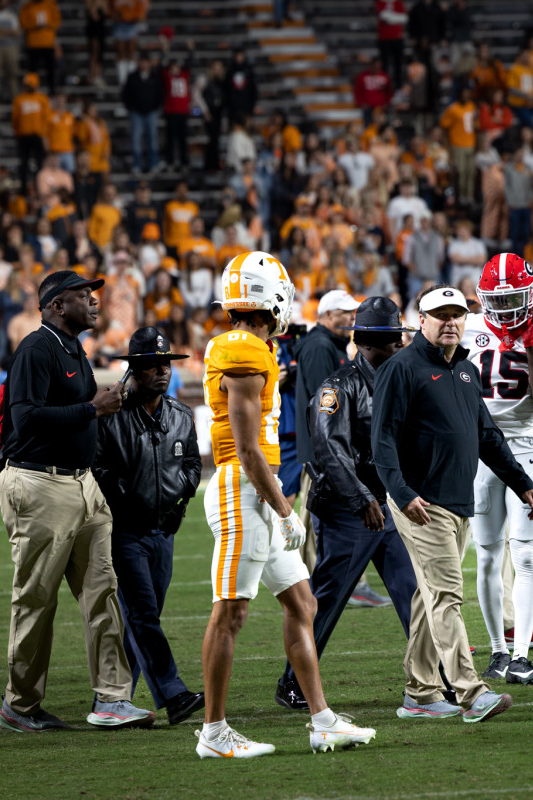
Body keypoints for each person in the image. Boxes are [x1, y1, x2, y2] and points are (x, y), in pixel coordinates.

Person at [197, 251, 375, 759]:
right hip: (243, 490)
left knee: (303, 602)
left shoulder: (255, 347)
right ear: (269, 298)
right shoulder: (242, 350)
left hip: (257, 490)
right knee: (230, 612)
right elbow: (248, 449)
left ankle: (322, 720)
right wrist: (283, 507)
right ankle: (213, 732)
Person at [0, 270, 153, 733]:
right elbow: (24, 420)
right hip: (40, 485)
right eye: (84, 296)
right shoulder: (36, 348)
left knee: (102, 591)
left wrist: (109, 402)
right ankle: (19, 704)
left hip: (82, 486)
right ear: (57, 305)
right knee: (36, 599)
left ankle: (112, 699)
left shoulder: (72, 350)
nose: (95, 302)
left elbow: (81, 414)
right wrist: (91, 409)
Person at [372, 284, 533, 723]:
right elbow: (382, 439)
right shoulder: (401, 368)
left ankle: (420, 692)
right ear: (421, 321)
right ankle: (470, 692)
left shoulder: (465, 370)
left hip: (457, 502)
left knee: (429, 598)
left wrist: (521, 482)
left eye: (458, 314)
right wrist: (402, 493)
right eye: (440, 314)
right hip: (421, 503)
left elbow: (486, 435)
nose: (450, 321)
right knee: (447, 594)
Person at [275, 297, 418, 709]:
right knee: (328, 598)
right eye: (395, 340)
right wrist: (360, 500)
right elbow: (329, 448)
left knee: (412, 592)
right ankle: (292, 682)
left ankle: (435, 674)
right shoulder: (337, 386)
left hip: (385, 504)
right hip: (346, 510)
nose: (400, 346)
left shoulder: (393, 380)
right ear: (373, 342)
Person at [463, 254, 533, 686]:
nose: (506, 310)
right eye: (497, 301)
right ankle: (498, 651)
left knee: (524, 552)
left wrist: (527, 347)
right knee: (487, 555)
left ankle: (521, 656)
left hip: (524, 446)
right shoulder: (467, 328)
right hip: (480, 450)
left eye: (513, 300)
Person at [93, 327, 205, 726]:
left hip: (164, 530)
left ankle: (112, 698)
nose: (162, 371)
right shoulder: (112, 416)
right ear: (134, 370)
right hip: (125, 533)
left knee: (144, 616)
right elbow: (98, 466)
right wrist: (123, 499)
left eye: (166, 364)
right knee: (143, 615)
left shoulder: (180, 415)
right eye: (152, 365)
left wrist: (182, 501)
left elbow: (193, 465)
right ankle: (173, 695)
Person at [292, 289, 360, 570]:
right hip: (323, 453)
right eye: (345, 312)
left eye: (353, 312)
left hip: (329, 449)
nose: (352, 318)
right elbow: (324, 406)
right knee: (312, 521)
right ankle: (306, 585)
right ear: (327, 314)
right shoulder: (320, 346)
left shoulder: (330, 343)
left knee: (324, 520)